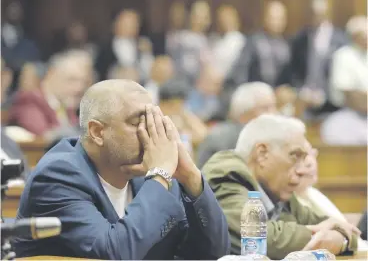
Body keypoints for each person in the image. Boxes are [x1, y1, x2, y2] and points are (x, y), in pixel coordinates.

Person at [14, 79, 230, 260]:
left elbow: (213, 254)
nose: (151, 132)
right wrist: (160, 173)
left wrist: (191, 175)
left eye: (154, 120)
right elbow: (114, 254)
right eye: (138, 122)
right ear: (98, 132)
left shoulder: (152, 178)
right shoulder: (58, 176)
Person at [202, 114, 359, 260]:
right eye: (295, 156)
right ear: (262, 154)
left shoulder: (276, 190)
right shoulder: (225, 176)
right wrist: (324, 238)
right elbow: (264, 241)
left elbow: (343, 228)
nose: (302, 170)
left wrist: (341, 239)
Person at [8, 51, 90, 138]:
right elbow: (45, 137)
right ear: (51, 74)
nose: (79, 88)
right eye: (72, 80)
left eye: (83, 82)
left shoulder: (67, 106)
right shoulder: (29, 100)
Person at [197, 82, 276, 168]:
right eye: (265, 108)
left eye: (274, 107)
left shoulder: (276, 140)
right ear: (244, 114)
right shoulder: (218, 140)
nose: (273, 114)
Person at [321, 15, 367, 146]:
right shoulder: (343, 56)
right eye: (362, 34)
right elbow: (352, 97)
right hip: (347, 115)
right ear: (353, 35)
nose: (366, 38)